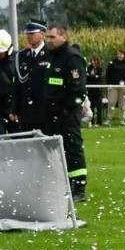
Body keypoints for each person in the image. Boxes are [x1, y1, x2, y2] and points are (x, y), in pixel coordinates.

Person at [19, 22, 88, 201]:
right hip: (50, 114)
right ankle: (60, 184)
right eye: (47, 36)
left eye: (52, 37)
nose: (48, 40)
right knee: (52, 151)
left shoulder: (72, 57)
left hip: (67, 114)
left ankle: (79, 188)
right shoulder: (51, 57)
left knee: (73, 149)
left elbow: (78, 90)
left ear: (63, 37)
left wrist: (67, 111)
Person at [104, 49, 125, 126]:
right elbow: (107, 74)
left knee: (122, 104)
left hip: (124, 87)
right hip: (113, 86)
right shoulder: (112, 63)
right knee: (111, 103)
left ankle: (122, 119)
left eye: (121, 54)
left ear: (124, 55)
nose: (120, 55)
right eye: (118, 54)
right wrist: (108, 85)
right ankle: (109, 119)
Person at [85, 54, 105, 127]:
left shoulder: (100, 69)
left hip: (98, 90)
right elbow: (87, 78)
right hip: (91, 90)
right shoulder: (89, 68)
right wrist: (93, 77)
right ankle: (92, 122)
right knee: (91, 106)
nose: (93, 62)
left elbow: (100, 78)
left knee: (99, 106)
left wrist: (93, 77)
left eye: (95, 60)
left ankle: (99, 122)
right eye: (92, 60)